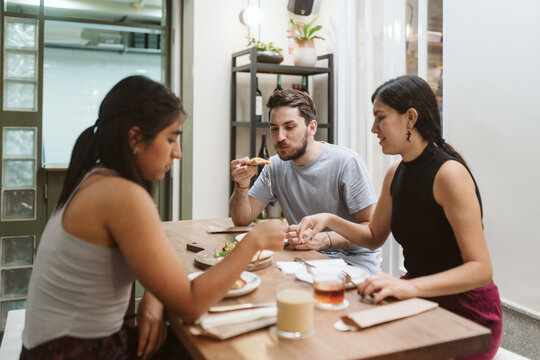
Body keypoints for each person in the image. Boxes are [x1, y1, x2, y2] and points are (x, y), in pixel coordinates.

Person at [20, 76, 286, 360]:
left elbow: (153, 264)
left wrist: (155, 294)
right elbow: (190, 303)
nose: (178, 153)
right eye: (171, 138)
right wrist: (253, 242)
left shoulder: (95, 178)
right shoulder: (121, 194)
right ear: (135, 138)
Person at [297, 75, 502, 359]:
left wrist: (408, 286)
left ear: (411, 118)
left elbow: (481, 269)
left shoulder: (449, 174)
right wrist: (329, 218)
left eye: (380, 118)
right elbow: (372, 237)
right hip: (419, 296)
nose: (373, 128)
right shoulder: (396, 173)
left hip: (468, 312)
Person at [229, 89, 380, 274]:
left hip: (353, 264)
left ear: (312, 127)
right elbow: (242, 219)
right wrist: (242, 185)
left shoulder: (346, 163)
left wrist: (324, 239)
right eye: (274, 128)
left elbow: (371, 230)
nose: (280, 137)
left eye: (289, 127)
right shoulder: (274, 166)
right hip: (305, 259)